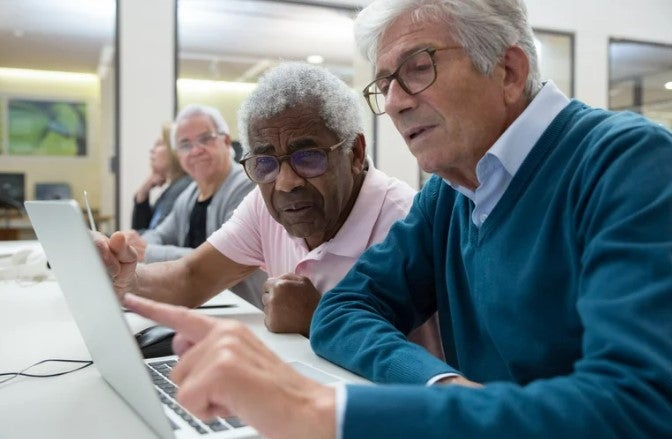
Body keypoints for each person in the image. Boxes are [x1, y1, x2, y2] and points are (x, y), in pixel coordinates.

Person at [119, 0, 672, 437]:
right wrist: (442, 386)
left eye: (417, 68)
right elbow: (342, 309)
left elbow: (637, 408)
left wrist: (326, 412)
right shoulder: (451, 195)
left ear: (508, 69)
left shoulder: (629, 163)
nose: (397, 101)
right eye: (385, 83)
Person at [98, 63, 440, 351]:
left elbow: (424, 370)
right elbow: (191, 277)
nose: (285, 182)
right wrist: (127, 277)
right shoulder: (265, 208)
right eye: (265, 163)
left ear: (354, 153)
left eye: (308, 157)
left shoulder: (406, 220)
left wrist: (318, 316)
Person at [121, 104, 266, 306]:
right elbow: (161, 234)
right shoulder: (189, 194)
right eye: (185, 145)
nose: (196, 150)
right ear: (179, 156)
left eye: (206, 139)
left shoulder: (249, 187)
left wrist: (147, 251)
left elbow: (221, 257)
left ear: (226, 141)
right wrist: (131, 246)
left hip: (246, 311)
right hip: (205, 305)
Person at [131, 122, 191, 231]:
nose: (152, 150)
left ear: (175, 151)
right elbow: (142, 230)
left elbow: (151, 239)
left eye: (159, 144)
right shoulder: (172, 188)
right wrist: (143, 192)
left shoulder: (183, 187)